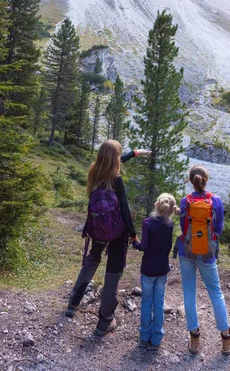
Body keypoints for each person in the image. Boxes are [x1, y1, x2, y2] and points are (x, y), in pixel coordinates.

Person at [65, 140, 150, 336]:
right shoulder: (116, 180)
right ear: (115, 159)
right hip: (117, 233)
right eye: (119, 156)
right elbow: (125, 210)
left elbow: (114, 160)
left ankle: (73, 303)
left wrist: (135, 153)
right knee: (113, 272)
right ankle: (105, 321)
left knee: (92, 261)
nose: (121, 159)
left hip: (96, 230)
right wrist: (133, 233)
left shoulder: (94, 171)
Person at [178, 165, 230, 355]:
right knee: (215, 293)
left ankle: (194, 338)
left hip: (186, 252)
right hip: (207, 254)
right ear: (206, 180)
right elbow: (219, 228)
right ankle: (226, 339)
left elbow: (183, 227)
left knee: (189, 292)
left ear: (191, 180)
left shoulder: (185, 201)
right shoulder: (216, 201)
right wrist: (210, 239)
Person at [132, 193, 179, 350]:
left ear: (156, 205)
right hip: (162, 269)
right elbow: (167, 247)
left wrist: (134, 242)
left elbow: (144, 246)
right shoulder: (170, 224)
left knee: (146, 303)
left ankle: (144, 338)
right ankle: (156, 340)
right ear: (171, 210)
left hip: (148, 269)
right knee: (158, 304)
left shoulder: (147, 223)